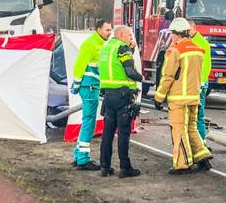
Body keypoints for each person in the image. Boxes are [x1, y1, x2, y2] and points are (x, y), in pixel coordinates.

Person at [154, 18, 212, 174]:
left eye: (172, 34)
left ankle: (182, 164)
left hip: (179, 98)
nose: (171, 37)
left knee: (179, 130)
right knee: (192, 128)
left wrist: (159, 97)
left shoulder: (175, 51)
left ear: (177, 34)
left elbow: (167, 76)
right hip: (194, 97)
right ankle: (203, 156)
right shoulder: (198, 50)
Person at [98, 25, 143, 178]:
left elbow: (115, 65)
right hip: (123, 95)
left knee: (108, 133)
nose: (131, 38)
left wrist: (131, 49)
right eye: (130, 35)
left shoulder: (106, 47)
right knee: (124, 133)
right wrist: (142, 78)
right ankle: (125, 167)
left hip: (109, 95)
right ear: (122, 35)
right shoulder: (122, 48)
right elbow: (129, 70)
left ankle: (105, 166)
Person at [70, 19, 112, 170]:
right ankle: (83, 159)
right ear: (99, 30)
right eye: (107, 30)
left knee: (88, 121)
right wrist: (77, 82)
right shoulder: (91, 44)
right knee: (89, 122)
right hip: (89, 87)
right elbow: (80, 64)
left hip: (91, 86)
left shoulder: (99, 44)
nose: (110, 32)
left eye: (111, 30)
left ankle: (78, 155)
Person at [188, 19, 212, 146]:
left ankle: (201, 142)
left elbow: (206, 65)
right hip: (191, 83)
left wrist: (201, 83)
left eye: (188, 29)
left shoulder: (201, 43)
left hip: (199, 83)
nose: (187, 32)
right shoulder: (189, 41)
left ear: (194, 28)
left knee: (198, 115)